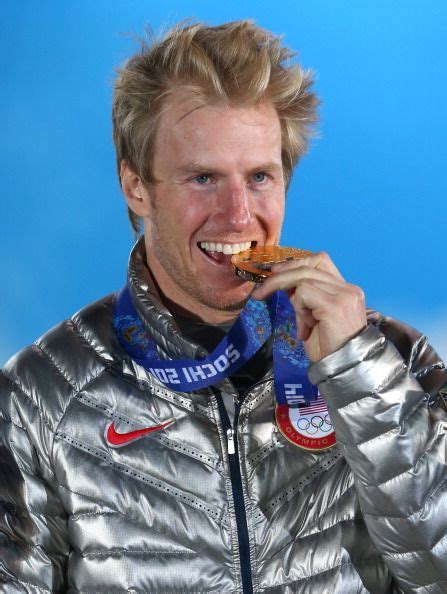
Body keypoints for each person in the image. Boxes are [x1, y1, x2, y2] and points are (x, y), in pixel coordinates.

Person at [0, 20, 446, 594]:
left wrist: (357, 374)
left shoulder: (393, 361)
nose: (238, 216)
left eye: (259, 176)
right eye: (203, 177)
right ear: (137, 188)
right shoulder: (38, 396)